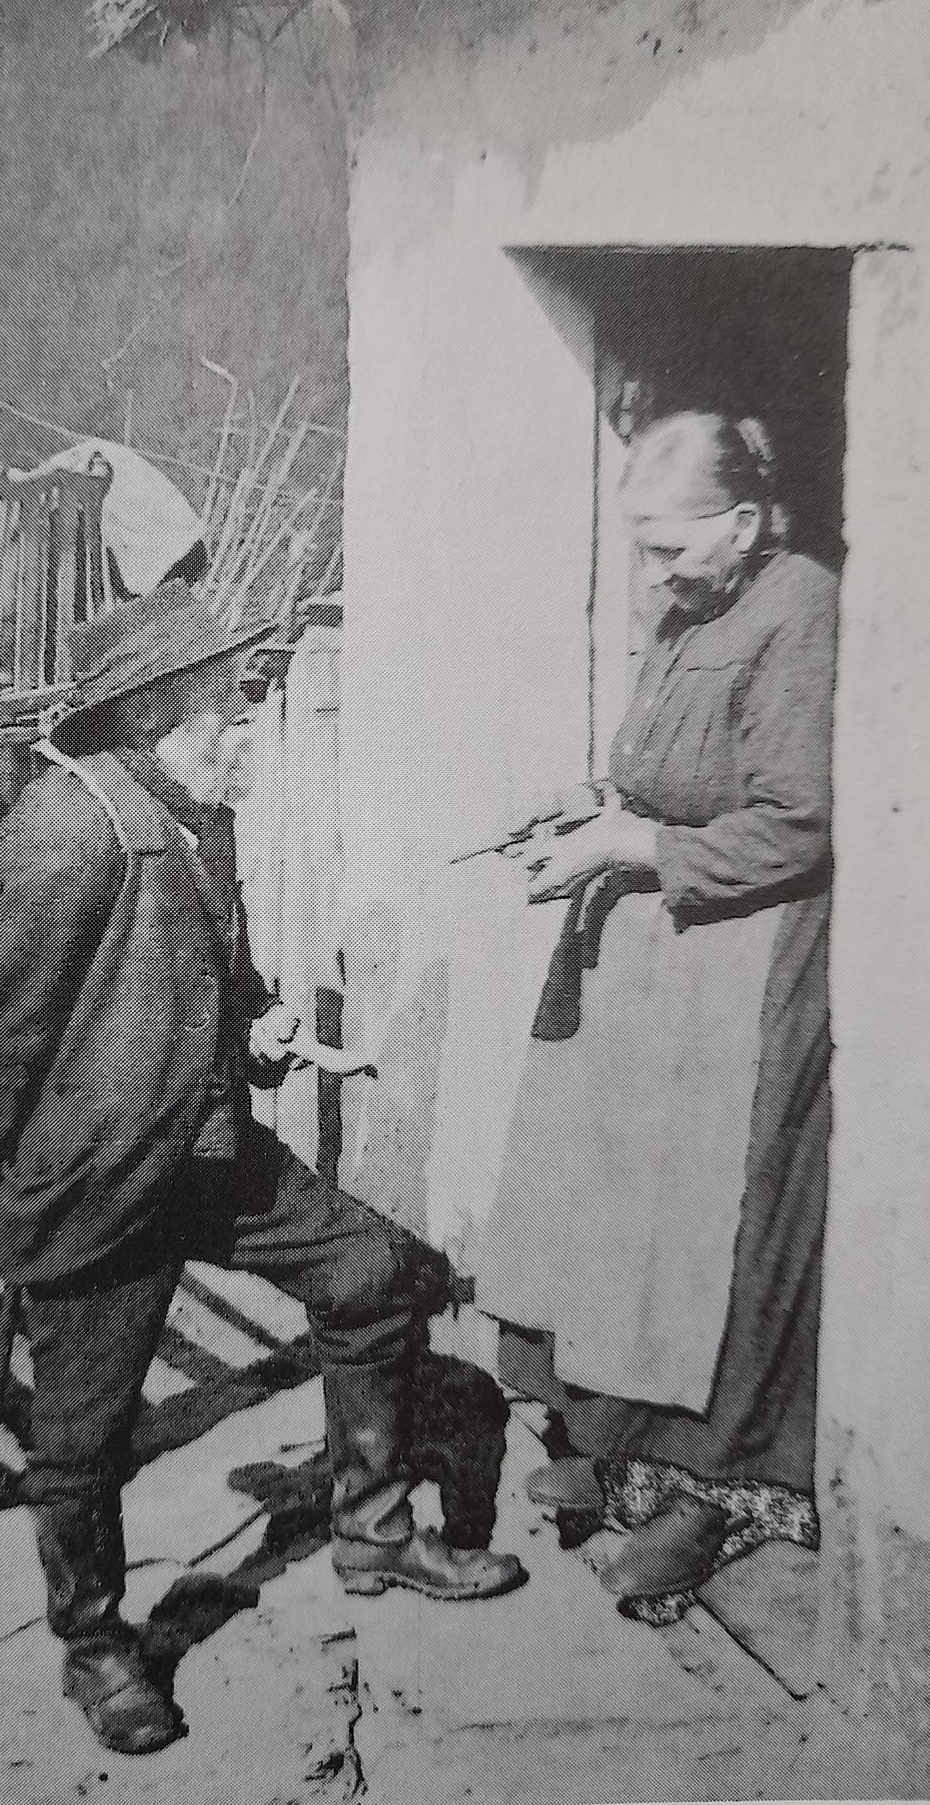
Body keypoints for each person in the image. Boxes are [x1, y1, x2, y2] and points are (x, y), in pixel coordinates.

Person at [0, 581, 523, 1757]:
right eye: (224, 704)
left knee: (371, 1270)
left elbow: (210, 976)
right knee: (83, 1438)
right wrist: (7, 1188)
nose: (245, 722)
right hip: (99, 1179)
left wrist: (260, 1025)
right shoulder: (70, 835)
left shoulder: (195, 813)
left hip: (203, 1152)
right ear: (156, 715)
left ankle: (372, 1531)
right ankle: (97, 1646)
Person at [476, 411, 836, 1624]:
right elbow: (661, 774)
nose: (655, 572)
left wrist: (633, 846)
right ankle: (627, 1458)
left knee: (714, 1236)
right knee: (624, 1219)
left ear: (746, 522)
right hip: (661, 968)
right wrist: (583, 802)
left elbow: (798, 824)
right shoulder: (688, 613)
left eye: (672, 547)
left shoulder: (801, 610)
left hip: (747, 968)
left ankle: (718, 1491)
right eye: (643, 548)